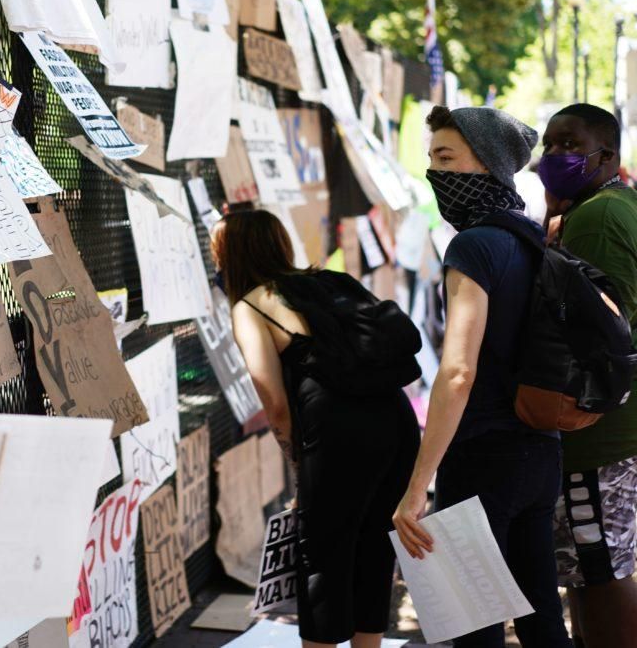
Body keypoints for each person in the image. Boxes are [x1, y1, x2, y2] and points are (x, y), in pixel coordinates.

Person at [392, 106, 572, 647]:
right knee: (543, 623)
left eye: (446, 157)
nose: (435, 172)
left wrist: (416, 486)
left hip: (484, 459)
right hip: (541, 452)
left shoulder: (472, 246)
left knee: (475, 630)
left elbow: (457, 373)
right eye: (430, 159)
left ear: (489, 164)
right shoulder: (531, 240)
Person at [213, 211, 419, 648]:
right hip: (395, 418)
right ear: (280, 244)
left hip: (337, 430)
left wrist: (298, 464)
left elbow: (274, 403)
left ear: (229, 256)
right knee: (375, 544)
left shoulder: (250, 305)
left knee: (323, 554)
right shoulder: (330, 281)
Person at [540, 103, 637, 648]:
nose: (556, 155)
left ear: (609, 155)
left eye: (571, 145)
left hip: (597, 432)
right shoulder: (608, 205)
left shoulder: (598, 216)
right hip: (606, 429)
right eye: (550, 145)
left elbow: (600, 335)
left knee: (600, 570)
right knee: (589, 568)